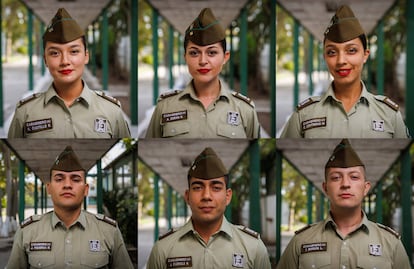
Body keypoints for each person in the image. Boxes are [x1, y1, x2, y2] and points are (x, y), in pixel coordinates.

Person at [276, 139, 411, 269]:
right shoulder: (301, 241)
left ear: (365, 188)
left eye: (354, 177)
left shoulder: (390, 243)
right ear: (325, 188)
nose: (345, 184)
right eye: (336, 178)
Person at [280, 5, 409, 138]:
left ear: (365, 55)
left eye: (351, 50)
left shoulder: (389, 114)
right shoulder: (303, 115)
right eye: (331, 52)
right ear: (325, 57)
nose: (341, 60)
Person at [8, 8, 131, 138]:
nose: (65, 61)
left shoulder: (111, 111)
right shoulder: (25, 112)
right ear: (45, 60)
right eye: (55, 53)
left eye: (74, 51)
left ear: (86, 56)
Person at [6, 146, 134, 268]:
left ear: (86, 189)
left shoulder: (109, 231)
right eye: (59, 179)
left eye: (76, 179)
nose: (67, 185)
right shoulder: (27, 232)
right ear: (49, 188)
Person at [146, 147, 271, 268]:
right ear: (187, 196)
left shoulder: (253, 247)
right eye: (198, 187)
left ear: (227, 197)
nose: (206, 196)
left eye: (216, 188)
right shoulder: (163, 249)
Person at [145, 8, 260, 139]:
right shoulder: (165, 106)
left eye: (212, 52)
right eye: (194, 53)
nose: (203, 61)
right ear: (185, 57)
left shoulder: (245, 109)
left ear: (225, 57)